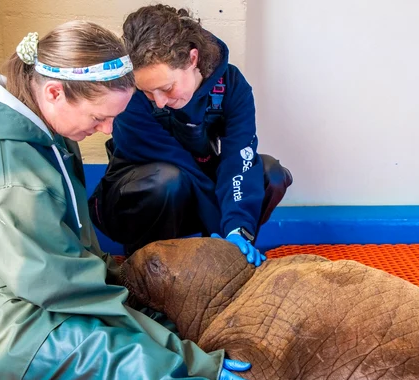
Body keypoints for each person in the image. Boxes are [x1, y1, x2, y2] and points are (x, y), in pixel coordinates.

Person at [0, 20, 419, 380]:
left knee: (155, 326)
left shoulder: (38, 131)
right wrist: (196, 363)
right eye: (99, 118)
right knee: (127, 357)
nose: (108, 131)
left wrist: (227, 240)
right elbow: (64, 291)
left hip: (22, 300)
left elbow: (61, 261)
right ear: (54, 92)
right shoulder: (10, 175)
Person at [89, 5, 292, 266]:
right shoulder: (128, 97)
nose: (159, 102)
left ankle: (230, 253)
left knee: (270, 174)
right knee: (169, 179)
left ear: (192, 59)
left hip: (196, 190)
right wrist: (221, 222)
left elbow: (238, 159)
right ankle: (148, 265)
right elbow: (181, 166)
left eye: (166, 88)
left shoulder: (232, 86)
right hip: (140, 198)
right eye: (149, 93)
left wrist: (236, 229)